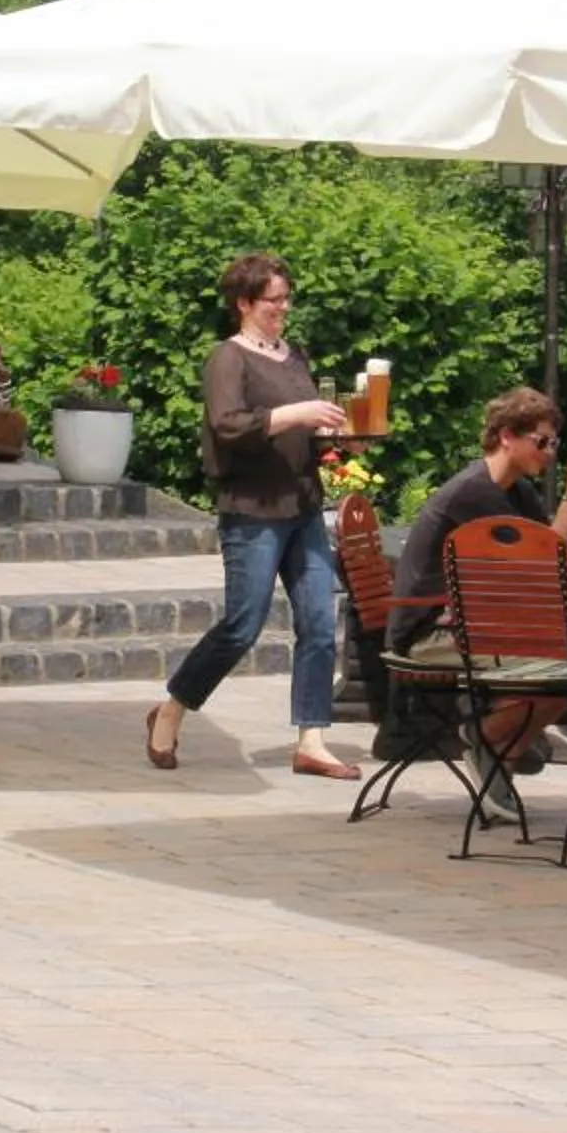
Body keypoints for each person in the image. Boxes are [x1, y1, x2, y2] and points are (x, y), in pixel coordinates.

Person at [144, 253, 359, 779]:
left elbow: (301, 426)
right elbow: (228, 424)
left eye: (287, 298)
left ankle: (311, 739)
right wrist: (296, 414)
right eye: (273, 300)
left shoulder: (295, 356)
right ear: (244, 303)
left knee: (318, 625)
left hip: (303, 506)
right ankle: (172, 708)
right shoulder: (228, 358)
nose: (283, 308)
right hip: (252, 511)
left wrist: (334, 434)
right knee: (242, 626)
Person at [386, 387, 567, 813]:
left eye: (554, 443)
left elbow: (551, 557)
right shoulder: (474, 492)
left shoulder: (516, 491)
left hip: (473, 627)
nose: (551, 453)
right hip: (430, 634)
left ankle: (497, 747)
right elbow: (544, 560)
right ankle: (488, 737)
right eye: (542, 441)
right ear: (507, 436)